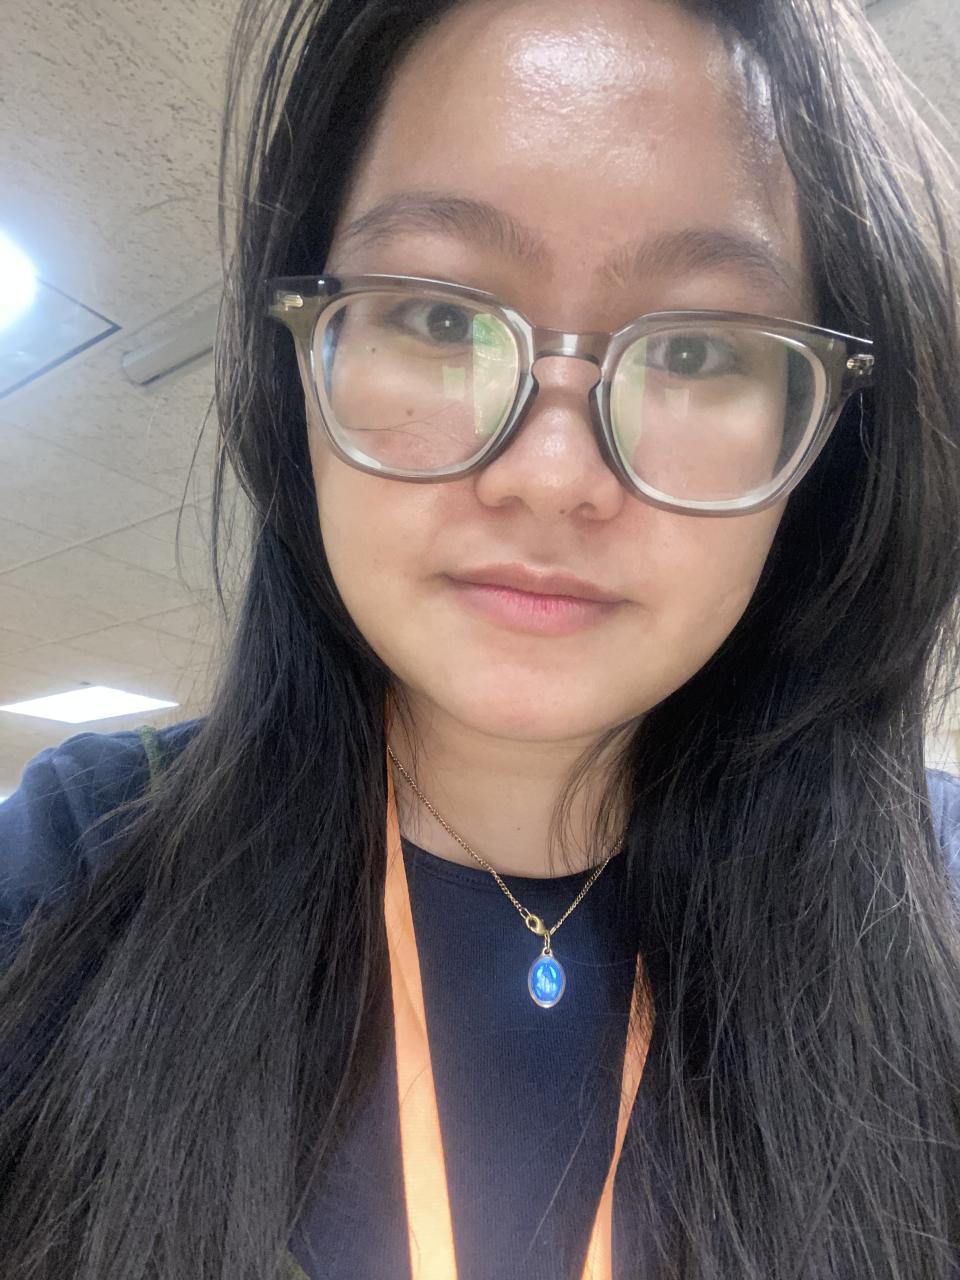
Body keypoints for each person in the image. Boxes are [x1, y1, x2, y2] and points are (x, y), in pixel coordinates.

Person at [2, 0, 960, 1275]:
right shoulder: (72, 863)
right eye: (442, 317)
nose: (551, 477)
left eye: (693, 347)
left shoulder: (937, 901)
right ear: (302, 367)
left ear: (827, 439)